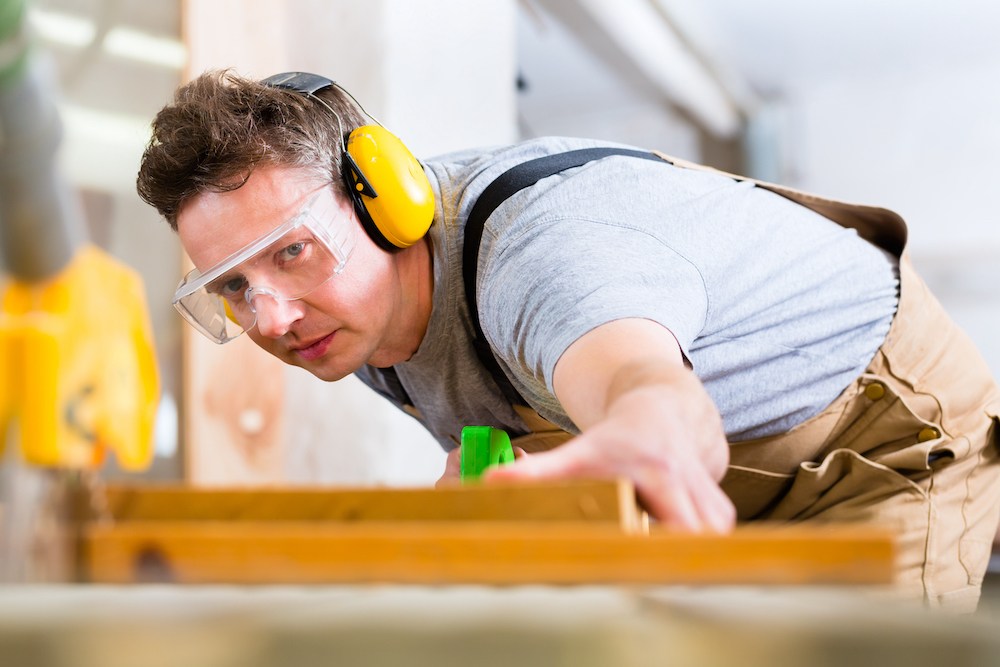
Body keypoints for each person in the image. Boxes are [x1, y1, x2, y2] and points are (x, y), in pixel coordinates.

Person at [137, 69, 1000, 611]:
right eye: (234, 288)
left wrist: (641, 430)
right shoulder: (351, 325)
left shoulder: (541, 253)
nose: (273, 319)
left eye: (292, 251)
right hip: (727, 484)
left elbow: (653, 401)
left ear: (381, 198)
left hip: (886, 439)